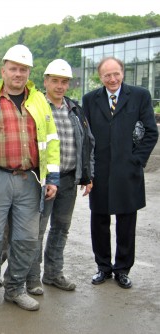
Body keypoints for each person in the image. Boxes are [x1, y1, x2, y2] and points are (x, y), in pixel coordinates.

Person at [0, 44, 60, 312]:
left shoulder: (38, 100)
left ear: (29, 72)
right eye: (13, 68)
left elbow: (51, 141)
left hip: (30, 179)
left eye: (23, 69)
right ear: (3, 70)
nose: (18, 74)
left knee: (26, 237)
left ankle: (15, 288)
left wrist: (51, 177)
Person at [82, 56, 158, 289]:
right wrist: (88, 172)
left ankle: (123, 269)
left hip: (128, 171)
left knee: (126, 222)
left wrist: (136, 161)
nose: (112, 79)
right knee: (99, 221)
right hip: (100, 172)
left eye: (116, 74)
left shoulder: (140, 96)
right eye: (107, 75)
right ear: (100, 77)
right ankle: (103, 267)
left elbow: (150, 133)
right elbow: (86, 138)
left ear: (122, 73)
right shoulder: (90, 99)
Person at [26, 59, 95, 295]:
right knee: (38, 230)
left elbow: (87, 143)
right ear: (45, 81)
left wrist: (87, 175)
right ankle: (32, 278)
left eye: (64, 81)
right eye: (54, 80)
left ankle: (54, 274)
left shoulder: (74, 109)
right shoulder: (35, 107)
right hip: (44, 180)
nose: (59, 86)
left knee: (61, 228)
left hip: (69, 179)